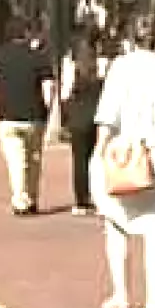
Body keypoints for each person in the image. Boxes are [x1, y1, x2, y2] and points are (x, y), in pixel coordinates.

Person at [93, 17, 155, 308]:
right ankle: (153, 301)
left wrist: (99, 151)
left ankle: (122, 293)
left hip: (125, 151)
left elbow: (108, 112)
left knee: (115, 221)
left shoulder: (121, 66)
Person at [0, 23, 56, 214]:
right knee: (34, 159)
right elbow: (48, 87)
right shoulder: (38, 57)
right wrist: (49, 108)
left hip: (7, 116)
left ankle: (20, 200)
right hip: (34, 116)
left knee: (16, 160)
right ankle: (32, 197)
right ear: (26, 34)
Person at [61, 27, 104, 216]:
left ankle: (81, 200)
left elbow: (65, 92)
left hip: (78, 113)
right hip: (99, 112)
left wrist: (65, 115)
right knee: (98, 158)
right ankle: (100, 196)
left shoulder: (71, 63)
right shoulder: (102, 62)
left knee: (79, 160)